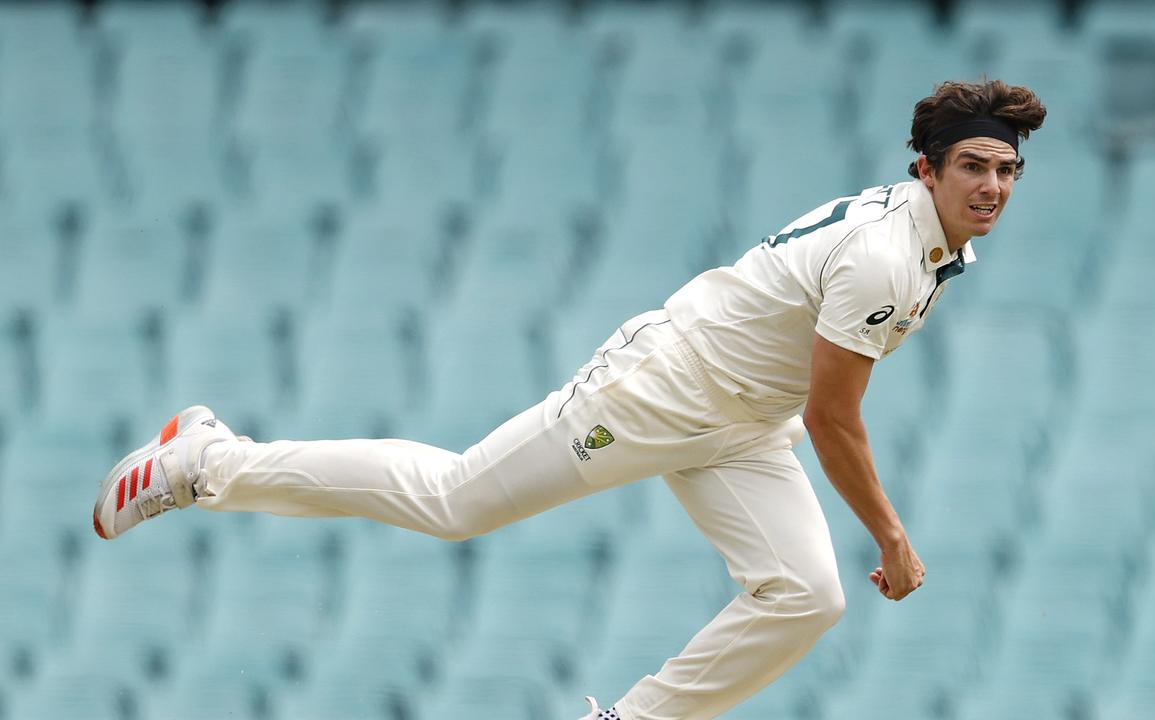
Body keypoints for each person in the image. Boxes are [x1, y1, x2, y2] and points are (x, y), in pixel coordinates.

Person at [92, 79, 1046, 720]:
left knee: (806, 596)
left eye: (1005, 169)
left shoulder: (939, 236)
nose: (992, 185)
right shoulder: (885, 255)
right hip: (657, 390)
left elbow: (813, 401)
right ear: (925, 168)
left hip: (745, 424)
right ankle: (204, 459)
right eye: (973, 165)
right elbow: (838, 419)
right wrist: (891, 536)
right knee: (455, 502)